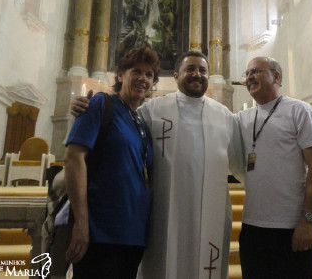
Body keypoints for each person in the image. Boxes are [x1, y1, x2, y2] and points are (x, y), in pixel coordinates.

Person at [71, 51, 245, 279]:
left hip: (207, 214)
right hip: (162, 214)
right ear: (175, 76)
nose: (197, 74)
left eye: (202, 70)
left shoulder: (224, 116)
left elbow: (243, 165)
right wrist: (81, 106)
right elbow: (107, 133)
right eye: (190, 69)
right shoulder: (151, 111)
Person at [64, 47, 159, 279]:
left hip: (133, 234)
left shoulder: (141, 121)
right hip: (100, 231)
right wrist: (82, 223)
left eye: (149, 75)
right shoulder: (100, 104)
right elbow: (74, 158)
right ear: (120, 75)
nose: (143, 79)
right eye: (136, 71)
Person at [236, 56, 312, 279]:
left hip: (292, 226)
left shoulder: (299, 110)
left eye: (255, 71)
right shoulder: (241, 119)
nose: (249, 77)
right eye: (247, 73)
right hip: (253, 227)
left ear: (276, 76)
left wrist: (308, 220)